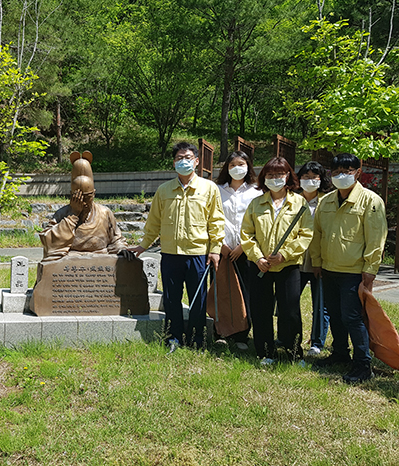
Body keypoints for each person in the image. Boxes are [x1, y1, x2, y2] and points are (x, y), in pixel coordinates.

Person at [130, 142, 225, 350]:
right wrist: (142, 246)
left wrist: (215, 250)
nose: (184, 161)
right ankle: (173, 338)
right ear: (174, 162)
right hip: (171, 254)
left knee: (198, 300)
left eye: (188, 158)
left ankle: (197, 338)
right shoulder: (164, 190)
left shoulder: (209, 189)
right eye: (180, 158)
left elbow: (216, 222)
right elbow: (154, 223)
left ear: (197, 161)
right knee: (172, 299)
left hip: (198, 255)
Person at [310, 153, 387, 383]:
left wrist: (370, 270)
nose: (341, 176)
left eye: (347, 171)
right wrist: (317, 261)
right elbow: (317, 235)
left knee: (353, 317)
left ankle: (363, 363)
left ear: (358, 172)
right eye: (336, 172)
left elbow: (376, 239)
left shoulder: (371, 201)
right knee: (334, 314)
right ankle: (340, 353)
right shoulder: (326, 201)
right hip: (329, 268)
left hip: (354, 271)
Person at [240, 156, 313, 365]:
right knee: (261, 310)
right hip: (260, 267)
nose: (275, 179)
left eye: (279, 174)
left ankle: (293, 352)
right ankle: (265, 352)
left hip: (288, 267)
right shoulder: (256, 204)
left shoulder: (299, 203)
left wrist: (285, 254)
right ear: (264, 178)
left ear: (288, 176)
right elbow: (246, 234)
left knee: (290, 310)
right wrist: (257, 257)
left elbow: (306, 234)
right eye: (270, 175)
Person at [39, 151, 128, 261]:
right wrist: (72, 215)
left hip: (100, 261)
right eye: (78, 198)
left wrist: (121, 248)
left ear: (94, 194)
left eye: (87, 197)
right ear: (71, 196)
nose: (84, 203)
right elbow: (49, 243)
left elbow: (116, 239)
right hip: (71, 263)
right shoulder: (62, 214)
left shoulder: (104, 213)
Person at [215, 150, 262, 350]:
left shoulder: (257, 192)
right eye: (232, 164)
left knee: (246, 293)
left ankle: (242, 334)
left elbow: (259, 223)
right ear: (226, 167)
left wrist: (243, 246)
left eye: (241, 164)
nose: (237, 168)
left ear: (249, 166)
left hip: (247, 251)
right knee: (222, 291)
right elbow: (212, 219)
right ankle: (221, 332)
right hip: (222, 250)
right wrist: (221, 245)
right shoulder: (216, 190)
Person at [296, 161, 332, 357]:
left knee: (320, 304)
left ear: (321, 180)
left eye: (314, 177)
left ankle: (317, 342)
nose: (310, 181)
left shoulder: (327, 202)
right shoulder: (293, 200)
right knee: (290, 300)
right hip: (296, 259)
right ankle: (290, 336)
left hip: (319, 260)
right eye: (306, 177)